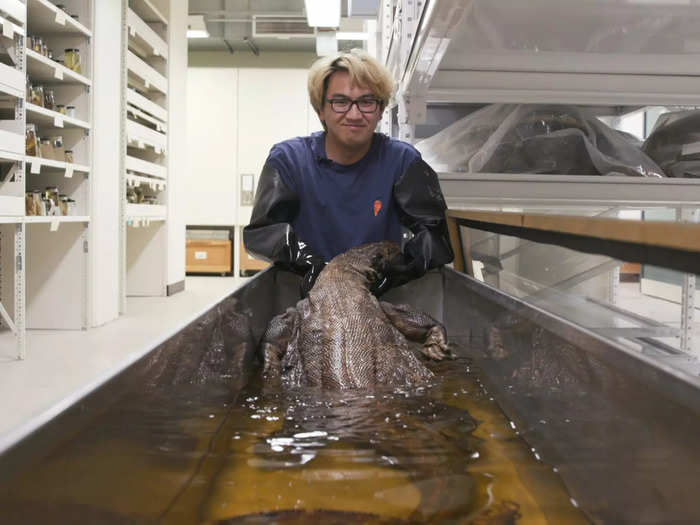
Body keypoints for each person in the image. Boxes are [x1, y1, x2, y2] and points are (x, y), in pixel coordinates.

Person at [243, 49, 453, 297]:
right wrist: (306, 262)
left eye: (366, 102)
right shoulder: (289, 160)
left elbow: (436, 238)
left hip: (376, 299)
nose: (354, 114)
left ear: (381, 110)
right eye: (340, 102)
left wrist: (397, 269)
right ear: (321, 110)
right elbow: (261, 233)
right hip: (308, 298)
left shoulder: (402, 161)